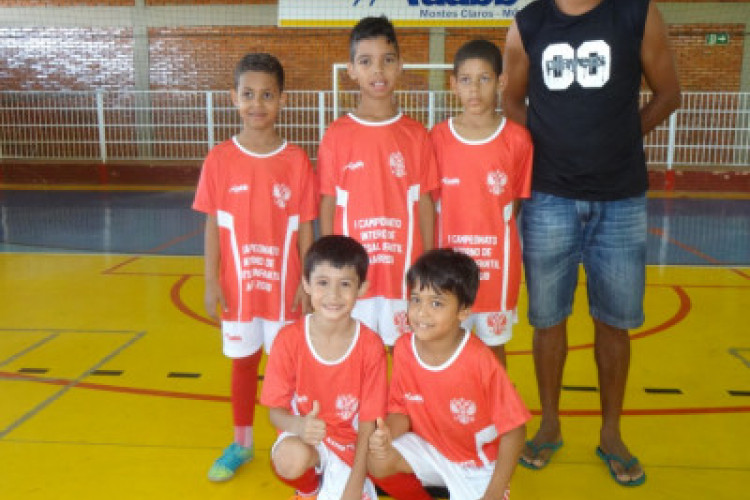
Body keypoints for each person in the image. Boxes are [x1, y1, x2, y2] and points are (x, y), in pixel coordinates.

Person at [501, 0, 681, 486]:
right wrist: (545, 150)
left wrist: (619, 141)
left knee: (615, 323)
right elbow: (511, 101)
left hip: (620, 198)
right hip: (548, 196)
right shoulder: (528, 24)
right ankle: (550, 424)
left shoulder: (637, 13)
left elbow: (669, 94)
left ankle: (611, 433)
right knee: (547, 320)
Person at [192, 52, 316, 482]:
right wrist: (210, 281)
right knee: (243, 363)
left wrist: (307, 281)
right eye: (248, 94)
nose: (257, 104)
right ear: (233, 97)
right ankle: (242, 444)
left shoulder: (296, 160)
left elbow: (305, 227)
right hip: (238, 287)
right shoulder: (219, 159)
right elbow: (212, 224)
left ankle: (293, 441)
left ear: (282, 99)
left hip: (284, 288)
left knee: (289, 369)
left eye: (267, 95)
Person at [260, 235, 433, 500]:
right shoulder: (288, 340)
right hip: (309, 438)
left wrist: (354, 484)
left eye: (345, 284)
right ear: (306, 284)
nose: (333, 295)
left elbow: (368, 423)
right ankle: (309, 490)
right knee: (288, 459)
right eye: (323, 283)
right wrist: (297, 424)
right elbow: (275, 412)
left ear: (362, 288)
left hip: (354, 442)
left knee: (380, 462)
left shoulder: (370, 346)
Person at [368, 248, 531, 500]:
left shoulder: (479, 360)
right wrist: (386, 434)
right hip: (431, 450)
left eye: (436, 303)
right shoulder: (403, 349)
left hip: (477, 466)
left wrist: (494, 492)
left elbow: (515, 431)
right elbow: (401, 410)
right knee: (376, 459)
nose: (422, 312)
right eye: (416, 299)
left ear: (463, 311)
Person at [317, 15, 439, 348]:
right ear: (351, 70)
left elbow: (424, 201)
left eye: (387, 60)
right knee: (354, 353)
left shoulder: (416, 135)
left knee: (404, 353)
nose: (378, 71)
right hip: (353, 275)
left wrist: (428, 260)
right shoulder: (337, 135)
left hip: (403, 271)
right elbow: (328, 201)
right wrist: (328, 266)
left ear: (400, 65)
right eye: (366, 61)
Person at [431, 39, 533, 367]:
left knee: (493, 351)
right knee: (448, 348)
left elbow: (514, 204)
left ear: (501, 82)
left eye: (484, 78)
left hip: (496, 269)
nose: (474, 89)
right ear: (453, 84)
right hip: (449, 267)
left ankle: (494, 401)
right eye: (466, 79)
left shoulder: (517, 140)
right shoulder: (437, 139)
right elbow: (430, 205)